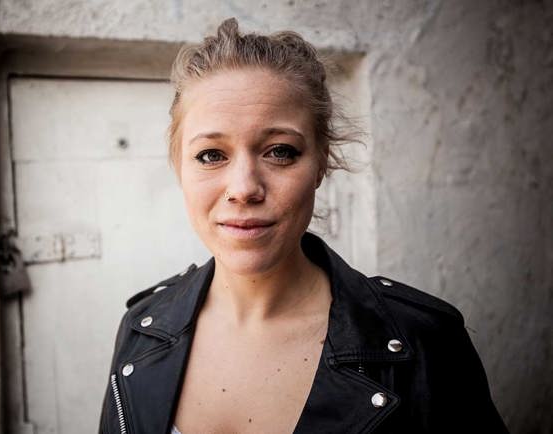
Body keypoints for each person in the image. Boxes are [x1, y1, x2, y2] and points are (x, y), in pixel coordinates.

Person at [99, 18, 507, 434]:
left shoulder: (424, 343)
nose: (243, 189)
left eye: (280, 151)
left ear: (321, 163)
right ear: (178, 166)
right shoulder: (141, 329)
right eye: (210, 155)